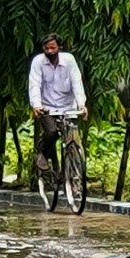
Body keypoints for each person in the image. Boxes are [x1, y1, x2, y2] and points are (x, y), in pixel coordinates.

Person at [28, 36, 92, 212]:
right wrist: (36, 105)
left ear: (59, 48)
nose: (50, 52)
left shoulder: (69, 60)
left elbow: (77, 83)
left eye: (53, 48)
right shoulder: (38, 62)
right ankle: (42, 153)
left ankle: (74, 179)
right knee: (51, 133)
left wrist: (81, 104)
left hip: (68, 107)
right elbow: (34, 84)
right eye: (46, 49)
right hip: (47, 108)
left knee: (73, 140)